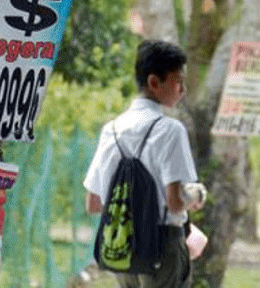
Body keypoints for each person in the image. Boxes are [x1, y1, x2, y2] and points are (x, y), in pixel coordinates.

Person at [83, 39, 206, 288]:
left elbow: (93, 204)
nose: (182, 90)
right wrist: (196, 195)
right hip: (163, 246)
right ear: (154, 82)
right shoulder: (171, 130)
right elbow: (174, 201)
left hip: (122, 247)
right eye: (178, 82)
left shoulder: (111, 130)